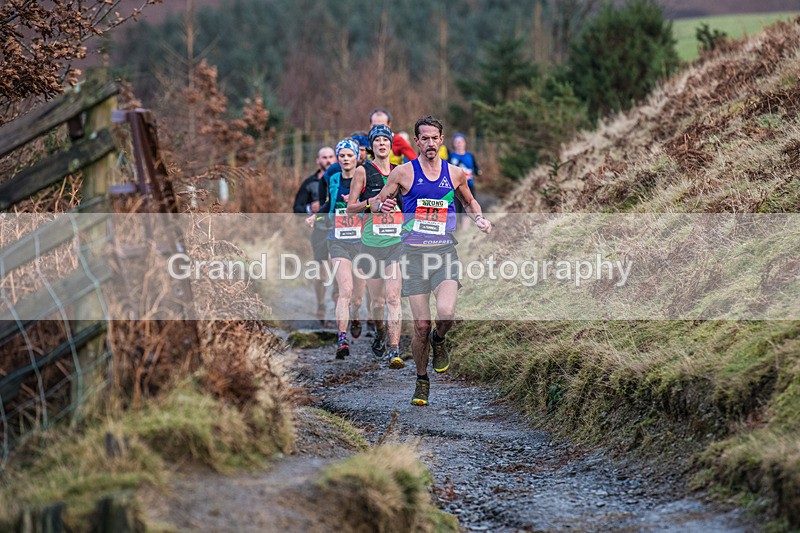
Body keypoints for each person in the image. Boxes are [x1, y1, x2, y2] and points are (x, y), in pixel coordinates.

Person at [370, 115, 492, 406]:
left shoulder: (455, 173)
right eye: (423, 138)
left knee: (446, 313)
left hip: (443, 251)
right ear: (416, 141)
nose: (428, 143)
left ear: (441, 140)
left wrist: (480, 218)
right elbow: (376, 203)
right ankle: (422, 380)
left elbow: (468, 200)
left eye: (433, 138)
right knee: (421, 326)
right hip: (413, 255)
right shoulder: (402, 173)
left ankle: (440, 340)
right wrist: (382, 204)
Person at [347, 124, 405, 369]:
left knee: (393, 298)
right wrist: (372, 203)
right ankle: (380, 332)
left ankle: (394, 350)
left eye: (386, 139)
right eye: (377, 140)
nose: (382, 144)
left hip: (396, 243)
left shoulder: (402, 172)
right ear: (372, 146)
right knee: (378, 303)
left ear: (391, 144)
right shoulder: (362, 171)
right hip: (370, 243)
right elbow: (351, 206)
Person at [324, 139, 367, 359]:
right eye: (342, 156)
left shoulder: (364, 178)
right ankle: (342, 338)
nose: (346, 159)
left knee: (357, 297)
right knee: (345, 290)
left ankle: (356, 314)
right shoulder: (332, 179)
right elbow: (329, 204)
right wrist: (317, 216)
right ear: (338, 158)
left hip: (361, 242)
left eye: (350, 155)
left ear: (357, 157)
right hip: (338, 239)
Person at [295, 146, 336, 323]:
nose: (327, 160)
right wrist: (308, 208)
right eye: (324, 157)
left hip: (340, 231)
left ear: (335, 159)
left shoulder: (343, 179)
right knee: (322, 274)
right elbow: (296, 209)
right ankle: (321, 304)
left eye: (330, 157)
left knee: (339, 270)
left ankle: (338, 311)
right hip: (320, 232)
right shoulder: (310, 183)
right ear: (318, 161)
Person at [448, 133, 480, 227]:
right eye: (456, 142)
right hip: (455, 187)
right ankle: (455, 229)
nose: (459, 144)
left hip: (469, 185)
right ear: (454, 144)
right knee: (456, 208)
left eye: (460, 142)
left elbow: (476, 168)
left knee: (469, 206)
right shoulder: (451, 156)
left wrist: (478, 172)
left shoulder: (470, 156)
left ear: (464, 143)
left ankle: (465, 231)